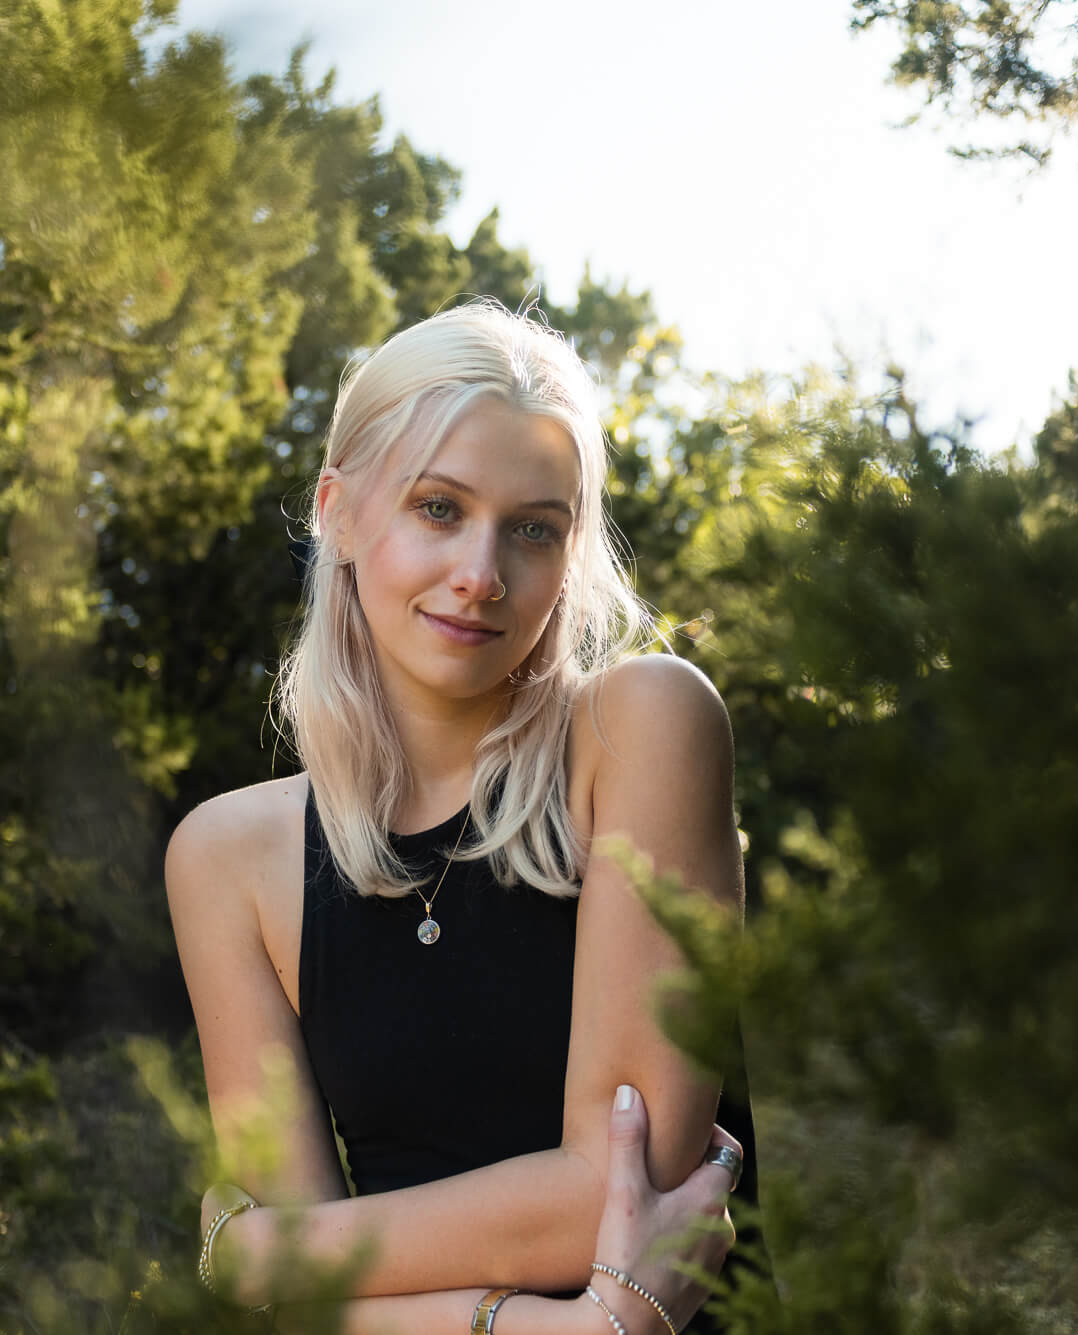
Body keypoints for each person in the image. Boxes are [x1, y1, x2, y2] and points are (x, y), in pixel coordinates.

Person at [165, 299, 758, 1333]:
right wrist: (552, 1332)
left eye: (533, 529)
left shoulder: (644, 728)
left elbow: (620, 1197)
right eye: (438, 508)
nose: (480, 576)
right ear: (338, 511)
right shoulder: (228, 859)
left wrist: (270, 1252)